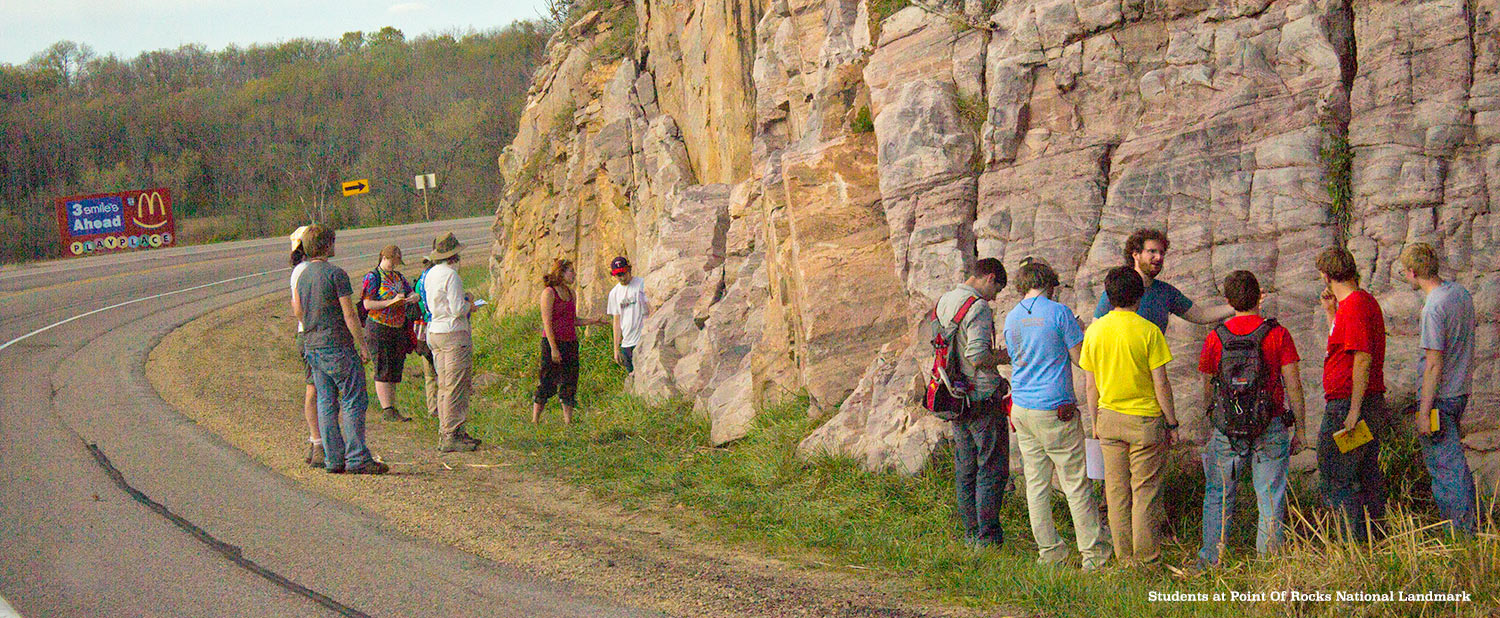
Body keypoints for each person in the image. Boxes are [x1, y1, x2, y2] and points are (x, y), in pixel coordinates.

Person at [1003, 257, 1110, 569]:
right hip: (1055, 407)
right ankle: (1093, 555)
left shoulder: (1011, 318)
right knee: (1076, 484)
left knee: (1036, 484)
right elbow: (1081, 360)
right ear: (1049, 284)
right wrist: (1082, 331)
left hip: (1022, 407)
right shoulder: (1060, 313)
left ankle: (1050, 553)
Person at [1196, 270, 1305, 567]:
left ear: (1228, 301)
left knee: (1219, 495)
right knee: (1270, 497)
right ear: (1260, 296)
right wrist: (1301, 429)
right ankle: (1269, 566)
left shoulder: (1216, 337)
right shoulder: (1277, 333)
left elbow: (1206, 383)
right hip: (1269, 425)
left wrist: (1213, 416)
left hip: (1227, 429)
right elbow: (1293, 384)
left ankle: (1211, 562)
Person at [1081, 265, 1178, 566]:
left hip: (1109, 418)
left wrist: (1095, 422)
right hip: (1145, 421)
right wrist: (1172, 423)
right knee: (1145, 492)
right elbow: (1161, 382)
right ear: (1139, 296)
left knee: (1116, 493)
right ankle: (1147, 559)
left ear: (1108, 298)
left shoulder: (1094, 331)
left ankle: (1125, 559)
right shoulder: (1149, 332)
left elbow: (1090, 383)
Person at [293, 224, 388, 475]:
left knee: (326, 401)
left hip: (313, 344)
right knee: (353, 399)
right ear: (327, 245)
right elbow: (349, 313)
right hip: (337, 345)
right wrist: (362, 344)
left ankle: (333, 459)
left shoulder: (302, 275)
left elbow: (298, 311)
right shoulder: (336, 274)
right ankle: (357, 457)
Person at [1400, 243, 1477, 535]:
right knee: (1453, 461)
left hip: (1440, 398)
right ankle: (1466, 526)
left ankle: (1461, 533)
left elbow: (1433, 364)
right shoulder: (1460, 294)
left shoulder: (1433, 307)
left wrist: (1424, 410)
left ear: (1413, 272)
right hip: (1460, 391)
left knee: (1445, 468)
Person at [935, 258, 1009, 548]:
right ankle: (988, 539)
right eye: (997, 289)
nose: (995, 297)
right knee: (991, 468)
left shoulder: (945, 301)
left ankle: (970, 535)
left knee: (966, 469)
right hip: (980, 397)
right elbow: (978, 354)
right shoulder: (977, 307)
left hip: (955, 395)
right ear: (989, 278)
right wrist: (1004, 357)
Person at [1314, 246, 1387, 542]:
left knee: (1336, 473)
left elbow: (1362, 357)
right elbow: (1344, 344)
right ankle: (1375, 540)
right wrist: (1332, 313)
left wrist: (1353, 411)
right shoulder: (1359, 303)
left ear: (1326, 275)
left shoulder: (1355, 306)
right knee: (1365, 472)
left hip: (1348, 405)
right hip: (1361, 402)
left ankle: (1352, 544)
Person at [1094, 228, 1234, 333]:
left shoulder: (1166, 292)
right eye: (1152, 251)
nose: (1159, 257)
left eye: (1162, 253)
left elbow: (1201, 315)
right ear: (1136, 254)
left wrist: (1240, 306)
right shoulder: (1118, 290)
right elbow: (1094, 332)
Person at [423, 232, 482, 452]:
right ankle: (452, 433)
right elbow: (458, 309)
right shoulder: (451, 276)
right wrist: (470, 305)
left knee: (444, 384)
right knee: (457, 384)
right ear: (454, 256)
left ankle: (446, 430)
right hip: (453, 332)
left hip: (435, 331)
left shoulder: (430, 274)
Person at [534, 259, 607, 424]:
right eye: (571, 271)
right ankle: (535, 419)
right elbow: (547, 322)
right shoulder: (549, 293)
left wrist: (593, 321)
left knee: (570, 379)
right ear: (561, 272)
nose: (574, 274)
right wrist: (553, 348)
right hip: (552, 341)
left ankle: (568, 421)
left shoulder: (571, 293)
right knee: (547, 379)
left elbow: (572, 320)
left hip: (570, 342)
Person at [360, 245, 414, 423]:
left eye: (397, 262)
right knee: (383, 366)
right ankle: (387, 409)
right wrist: (390, 302)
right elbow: (367, 304)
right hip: (379, 326)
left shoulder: (398, 277)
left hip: (397, 327)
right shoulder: (373, 277)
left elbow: (410, 291)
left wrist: (413, 297)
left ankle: (392, 406)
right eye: (393, 261)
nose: (394, 265)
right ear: (384, 257)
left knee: (394, 366)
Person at [288, 225, 322, 468]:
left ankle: (317, 442)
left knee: (316, 388)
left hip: (308, 334)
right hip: (311, 334)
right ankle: (318, 441)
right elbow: (298, 308)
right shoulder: (305, 270)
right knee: (315, 389)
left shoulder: (301, 269)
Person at [606, 256, 648, 374]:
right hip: (627, 344)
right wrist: (616, 348)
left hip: (643, 339)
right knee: (633, 376)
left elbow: (651, 308)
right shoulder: (614, 293)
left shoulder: (641, 283)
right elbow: (617, 321)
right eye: (618, 275)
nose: (622, 277)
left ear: (629, 270)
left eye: (623, 273)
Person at [413, 253, 439, 421]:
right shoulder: (431, 282)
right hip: (431, 327)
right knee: (436, 372)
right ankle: (439, 408)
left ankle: (432, 407)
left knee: (429, 374)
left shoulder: (418, 283)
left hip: (420, 331)